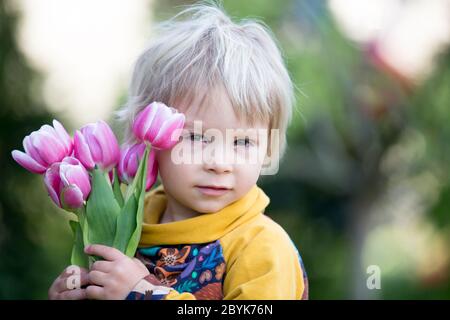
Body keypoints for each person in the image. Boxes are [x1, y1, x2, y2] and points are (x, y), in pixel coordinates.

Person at [48, 2, 308, 300]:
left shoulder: (261, 247)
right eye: (196, 137)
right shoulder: (125, 228)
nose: (220, 163)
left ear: (267, 149)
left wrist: (143, 293)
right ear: (149, 135)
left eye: (243, 142)